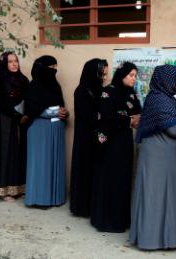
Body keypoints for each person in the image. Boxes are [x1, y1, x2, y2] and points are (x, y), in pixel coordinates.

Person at [130, 64, 176, 250]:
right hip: (160, 162)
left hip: (164, 162)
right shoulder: (161, 101)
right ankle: (153, 240)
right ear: (167, 80)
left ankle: (166, 238)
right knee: (157, 199)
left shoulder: (164, 99)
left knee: (164, 199)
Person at [90, 62, 141, 233]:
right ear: (122, 75)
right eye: (131, 75)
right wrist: (128, 120)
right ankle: (106, 221)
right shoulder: (108, 92)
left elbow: (137, 112)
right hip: (110, 143)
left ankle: (120, 220)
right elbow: (105, 118)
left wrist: (135, 119)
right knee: (110, 179)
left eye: (135, 75)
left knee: (123, 180)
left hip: (125, 142)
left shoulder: (131, 94)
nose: (134, 78)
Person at [24, 55, 68, 207]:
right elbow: (31, 109)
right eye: (51, 68)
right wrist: (52, 113)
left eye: (56, 68)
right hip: (39, 130)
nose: (54, 71)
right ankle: (38, 199)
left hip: (56, 130)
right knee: (40, 165)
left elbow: (60, 104)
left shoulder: (55, 86)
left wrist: (63, 112)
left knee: (53, 164)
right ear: (42, 69)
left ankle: (54, 198)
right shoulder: (33, 86)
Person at [70, 58, 108, 217]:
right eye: (102, 74)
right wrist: (104, 116)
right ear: (94, 73)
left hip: (97, 138)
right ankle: (82, 207)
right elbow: (88, 115)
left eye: (106, 74)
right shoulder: (81, 91)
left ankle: (94, 206)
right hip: (85, 138)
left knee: (96, 171)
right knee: (84, 170)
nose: (105, 78)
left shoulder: (100, 91)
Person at [0, 52, 29, 201]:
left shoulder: (24, 80)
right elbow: (1, 103)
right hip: (5, 120)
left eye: (16, 61)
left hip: (22, 121)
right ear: (4, 64)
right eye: (10, 62)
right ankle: (4, 190)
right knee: (6, 151)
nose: (14, 64)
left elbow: (28, 98)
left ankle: (19, 188)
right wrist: (17, 115)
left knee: (19, 152)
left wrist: (26, 115)